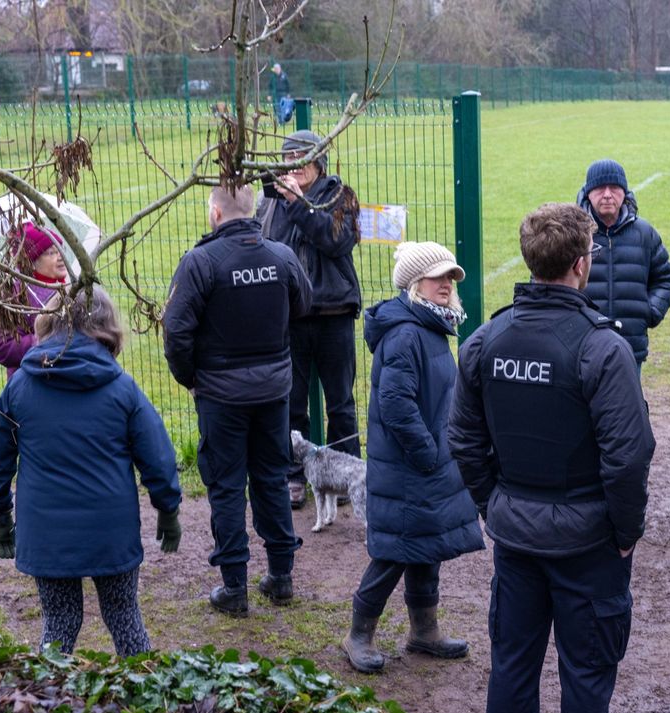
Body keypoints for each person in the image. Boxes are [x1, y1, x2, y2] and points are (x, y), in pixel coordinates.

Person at [449, 203, 656, 713]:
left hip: (517, 538)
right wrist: (624, 532)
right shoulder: (602, 348)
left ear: (530, 261)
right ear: (582, 264)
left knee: (512, 668)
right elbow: (628, 456)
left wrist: (496, 505)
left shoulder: (487, 340)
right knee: (586, 678)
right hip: (587, 544)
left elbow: (462, 438)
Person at [0, 287, 182, 656]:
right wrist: (167, 509)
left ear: (48, 322)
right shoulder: (122, 388)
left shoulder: (20, 386)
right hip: (111, 530)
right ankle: (146, 695)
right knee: (123, 615)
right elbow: (158, 455)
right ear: (107, 327)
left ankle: (43, 704)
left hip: (46, 534)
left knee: (59, 621)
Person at [163, 184, 312, 617]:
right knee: (271, 477)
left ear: (214, 212)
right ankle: (281, 577)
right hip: (273, 390)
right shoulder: (280, 256)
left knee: (226, 485)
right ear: (253, 209)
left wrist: (192, 379)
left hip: (221, 394)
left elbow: (176, 332)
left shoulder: (200, 262)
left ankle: (235, 587)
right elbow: (302, 304)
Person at [342, 241, 484, 674]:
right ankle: (358, 635)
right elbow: (396, 406)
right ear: (413, 284)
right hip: (410, 465)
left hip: (429, 462)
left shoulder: (430, 328)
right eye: (437, 277)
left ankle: (425, 631)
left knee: (428, 544)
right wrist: (427, 454)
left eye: (450, 278)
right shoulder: (406, 334)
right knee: (395, 552)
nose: (446, 285)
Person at [257, 129, 362, 510]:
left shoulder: (340, 196)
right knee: (293, 402)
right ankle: (294, 476)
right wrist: (285, 204)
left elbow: (335, 241)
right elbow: (269, 246)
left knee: (341, 403)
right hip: (292, 314)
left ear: (319, 162)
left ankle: (347, 474)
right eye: (289, 158)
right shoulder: (271, 203)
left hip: (334, 313)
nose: (295, 165)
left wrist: (299, 204)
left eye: (302, 157)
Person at [577, 158, 670, 374]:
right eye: (599, 188)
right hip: (581, 347)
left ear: (624, 192)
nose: (607, 195)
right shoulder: (573, 233)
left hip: (630, 348)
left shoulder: (644, 233)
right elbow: (546, 278)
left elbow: (666, 278)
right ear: (588, 193)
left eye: (614, 188)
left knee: (626, 407)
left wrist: (649, 311)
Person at [0, 222, 69, 380]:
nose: (61, 257)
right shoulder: (14, 294)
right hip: (31, 381)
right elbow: (1, 347)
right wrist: (44, 341)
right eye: (51, 253)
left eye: (60, 250)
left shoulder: (70, 287)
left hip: (67, 374)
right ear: (32, 262)